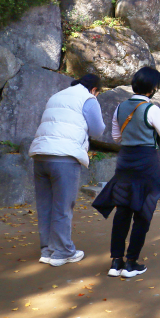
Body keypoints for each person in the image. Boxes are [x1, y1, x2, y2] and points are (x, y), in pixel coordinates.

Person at [92, 66, 160, 278]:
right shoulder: (152, 109)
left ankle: (116, 261)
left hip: (125, 164)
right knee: (143, 213)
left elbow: (117, 138)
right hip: (146, 165)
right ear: (153, 88)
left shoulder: (120, 107)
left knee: (123, 211)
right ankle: (131, 263)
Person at [28, 74, 105, 266]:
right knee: (63, 206)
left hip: (40, 155)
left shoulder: (56, 96)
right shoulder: (88, 99)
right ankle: (63, 251)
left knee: (45, 205)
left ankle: (48, 250)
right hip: (64, 158)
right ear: (94, 89)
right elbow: (98, 130)